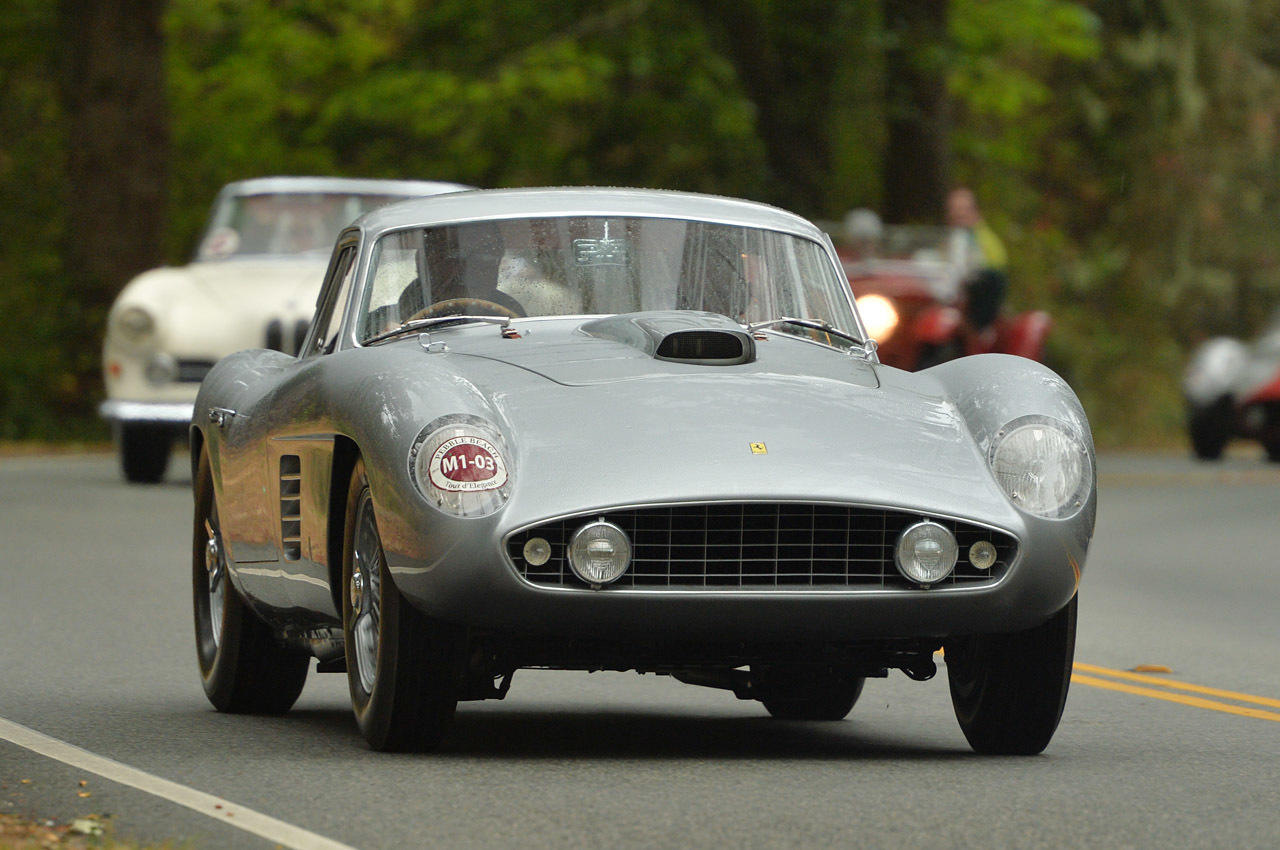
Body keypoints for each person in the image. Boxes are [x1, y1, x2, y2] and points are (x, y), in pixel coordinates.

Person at [945, 187, 1008, 330]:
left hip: (974, 309)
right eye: (954, 209)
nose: (959, 214)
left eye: (964, 209)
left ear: (975, 211)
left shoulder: (985, 240)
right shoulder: (948, 238)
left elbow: (992, 272)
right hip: (948, 300)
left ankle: (982, 332)